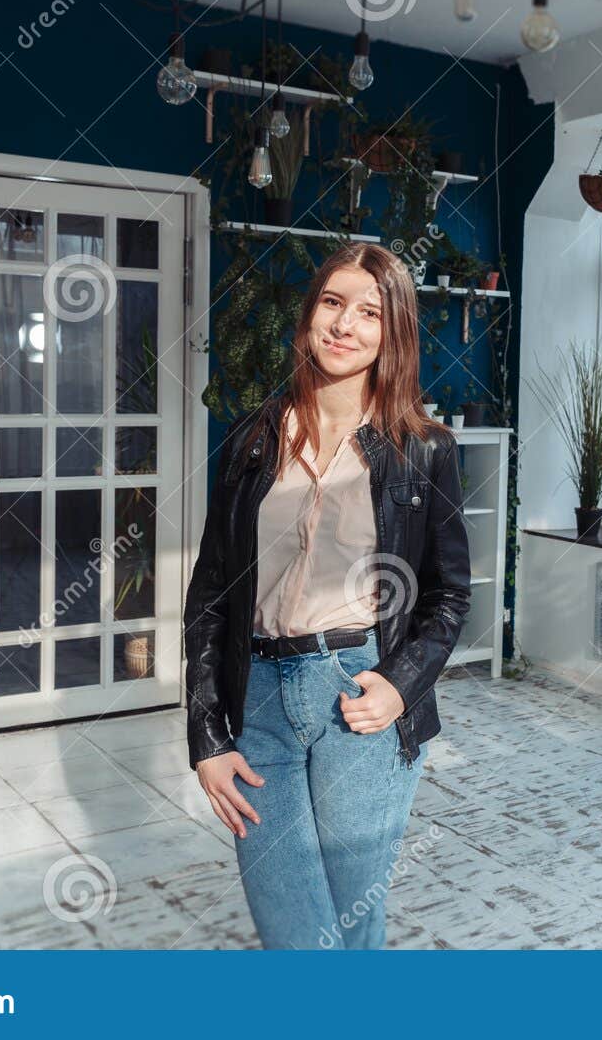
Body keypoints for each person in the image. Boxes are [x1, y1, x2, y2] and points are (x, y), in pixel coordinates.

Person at [182, 241, 471, 948]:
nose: (345, 325)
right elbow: (211, 592)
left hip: (360, 696)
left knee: (350, 921)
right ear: (310, 315)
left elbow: (449, 595)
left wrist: (401, 686)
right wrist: (206, 734)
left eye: (369, 312)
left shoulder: (424, 447)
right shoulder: (252, 437)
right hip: (257, 701)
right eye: (333, 303)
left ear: (392, 331)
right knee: (293, 930)